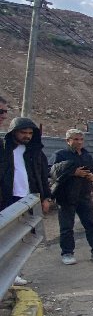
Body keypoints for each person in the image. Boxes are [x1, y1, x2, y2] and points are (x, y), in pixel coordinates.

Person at [50, 129, 93, 265]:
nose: (79, 142)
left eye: (81, 139)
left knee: (91, 225)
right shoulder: (60, 155)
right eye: (75, 139)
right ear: (68, 140)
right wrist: (73, 172)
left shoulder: (87, 155)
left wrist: (92, 176)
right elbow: (51, 172)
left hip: (84, 195)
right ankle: (67, 253)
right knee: (67, 227)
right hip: (66, 196)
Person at [1, 117, 52, 285]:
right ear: (14, 132)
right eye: (23, 132)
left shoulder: (35, 152)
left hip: (29, 199)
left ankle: (14, 272)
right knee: (7, 238)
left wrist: (46, 197)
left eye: (30, 133)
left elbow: (43, 177)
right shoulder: (3, 150)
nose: (27, 136)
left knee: (22, 238)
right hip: (8, 199)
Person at [0, 97, 30, 286]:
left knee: (12, 238)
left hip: (16, 198)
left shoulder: (29, 150)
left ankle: (9, 274)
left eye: (4, 111)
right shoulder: (6, 147)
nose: (3, 115)